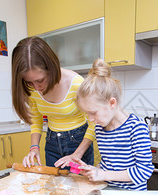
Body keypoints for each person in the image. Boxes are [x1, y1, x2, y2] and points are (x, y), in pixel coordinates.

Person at [11, 36, 95, 168]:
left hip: (79, 143)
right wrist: (34, 147)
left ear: (51, 67)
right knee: (55, 187)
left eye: (40, 80)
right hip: (52, 143)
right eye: (29, 82)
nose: (36, 88)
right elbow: (36, 119)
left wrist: (78, 154)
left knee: (80, 187)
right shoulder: (31, 89)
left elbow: (94, 123)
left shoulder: (76, 84)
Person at [74, 59, 154, 190]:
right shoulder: (99, 129)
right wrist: (94, 171)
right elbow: (108, 166)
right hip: (108, 191)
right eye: (87, 114)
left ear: (112, 103)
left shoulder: (136, 128)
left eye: (93, 112)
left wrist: (103, 174)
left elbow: (144, 171)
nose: (90, 119)